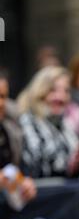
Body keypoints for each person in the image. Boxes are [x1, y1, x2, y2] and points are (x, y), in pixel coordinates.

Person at [17, 66, 79, 178]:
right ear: (40, 91)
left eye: (66, 91)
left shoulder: (64, 124)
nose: (61, 97)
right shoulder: (28, 122)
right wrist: (67, 165)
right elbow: (35, 167)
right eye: (53, 90)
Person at [0, 68, 36, 204]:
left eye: (3, 96)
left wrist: (24, 182)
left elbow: (15, 167)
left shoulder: (12, 125)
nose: (0, 103)